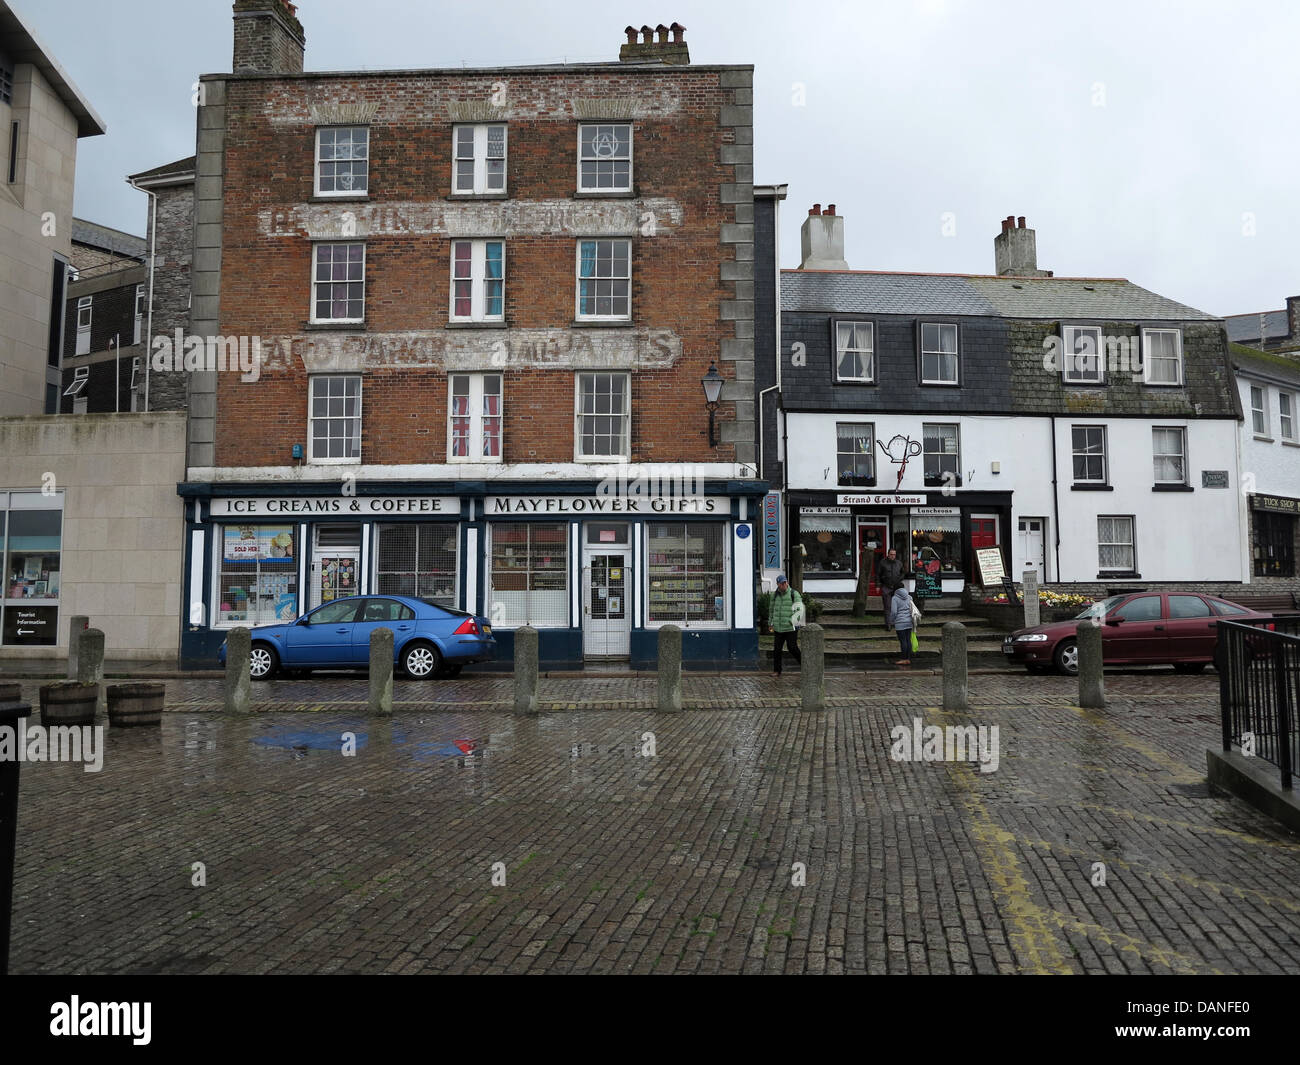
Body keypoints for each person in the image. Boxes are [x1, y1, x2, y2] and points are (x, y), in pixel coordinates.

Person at [769, 573, 803, 677]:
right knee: (777, 650)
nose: (783, 585)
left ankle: (806, 666)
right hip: (778, 627)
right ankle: (777, 670)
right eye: (781, 584)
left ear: (787, 583)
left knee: (792, 648)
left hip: (790, 627)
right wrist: (770, 623)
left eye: (784, 583)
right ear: (778, 584)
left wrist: (793, 621)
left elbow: (799, 609)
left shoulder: (794, 594)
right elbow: (771, 610)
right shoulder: (774, 595)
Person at [877, 548, 904, 630]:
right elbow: (878, 574)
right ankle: (888, 624)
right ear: (888, 554)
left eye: (894, 554)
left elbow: (903, 572)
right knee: (887, 606)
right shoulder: (882, 563)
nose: (893, 556)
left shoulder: (899, 563)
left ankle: (897, 623)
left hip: (896, 587)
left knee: (897, 607)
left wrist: (899, 579)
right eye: (891, 554)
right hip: (886, 586)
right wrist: (878, 585)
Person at [890, 582, 915, 667]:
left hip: (900, 622)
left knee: (903, 641)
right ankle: (908, 658)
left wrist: (892, 621)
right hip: (909, 621)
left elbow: (894, 612)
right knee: (908, 640)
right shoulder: (909, 597)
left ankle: (904, 659)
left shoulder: (894, 598)